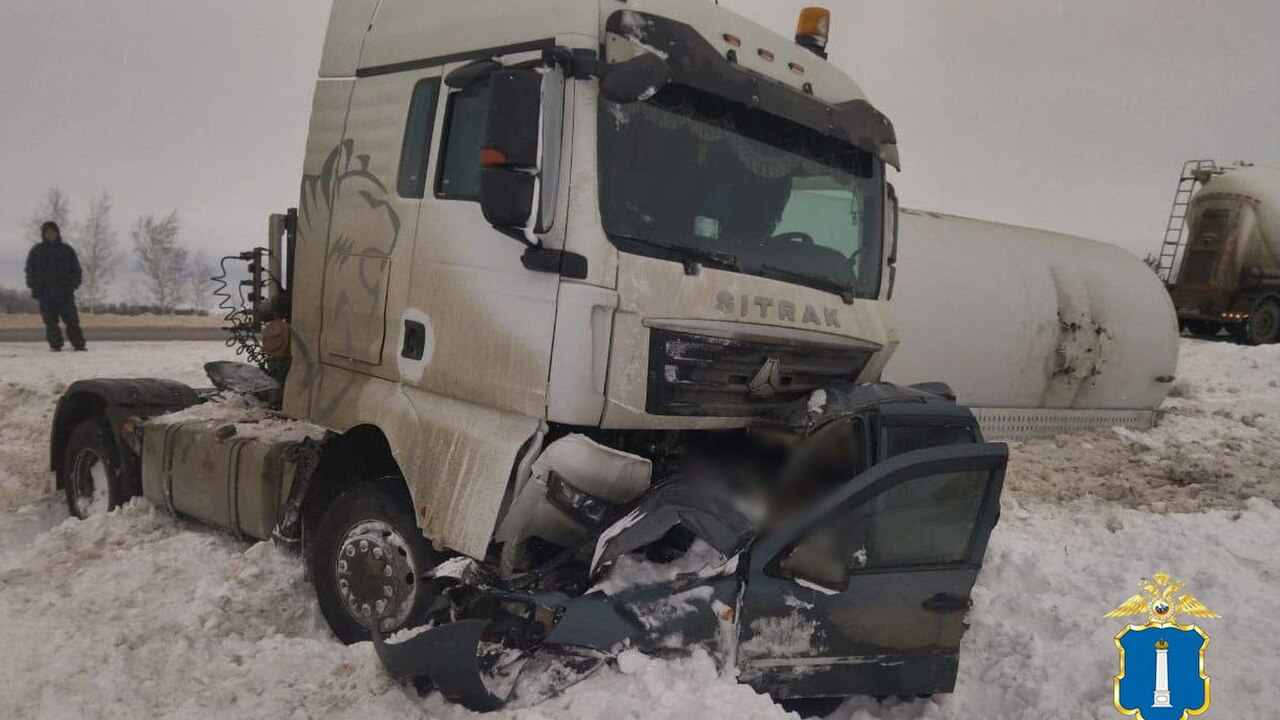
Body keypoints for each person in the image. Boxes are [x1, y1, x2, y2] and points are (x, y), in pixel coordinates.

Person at [25, 221, 86, 352]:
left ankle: (78, 344)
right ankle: (55, 345)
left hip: (65, 293)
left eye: (53, 232)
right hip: (45, 294)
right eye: (47, 233)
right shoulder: (37, 251)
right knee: (50, 322)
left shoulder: (67, 250)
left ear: (57, 233)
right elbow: (30, 270)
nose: (50, 235)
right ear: (43, 234)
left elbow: (76, 269)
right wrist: (33, 286)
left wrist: (74, 284)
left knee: (72, 321)